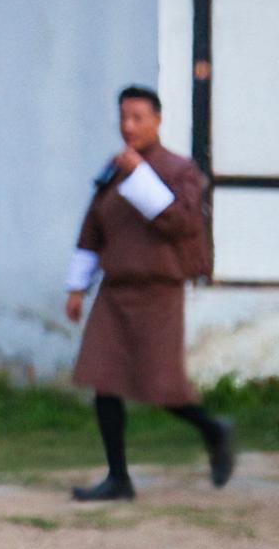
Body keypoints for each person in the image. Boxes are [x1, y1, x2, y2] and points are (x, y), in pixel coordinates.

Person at [65, 84, 233, 501]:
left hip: (158, 292)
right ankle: (118, 478)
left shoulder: (180, 170)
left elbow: (180, 223)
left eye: (138, 117)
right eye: (123, 117)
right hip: (114, 292)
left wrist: (140, 176)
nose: (128, 126)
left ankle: (213, 430)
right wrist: (76, 287)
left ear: (157, 120)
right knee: (104, 382)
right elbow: (92, 228)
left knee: (161, 387)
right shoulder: (113, 169)